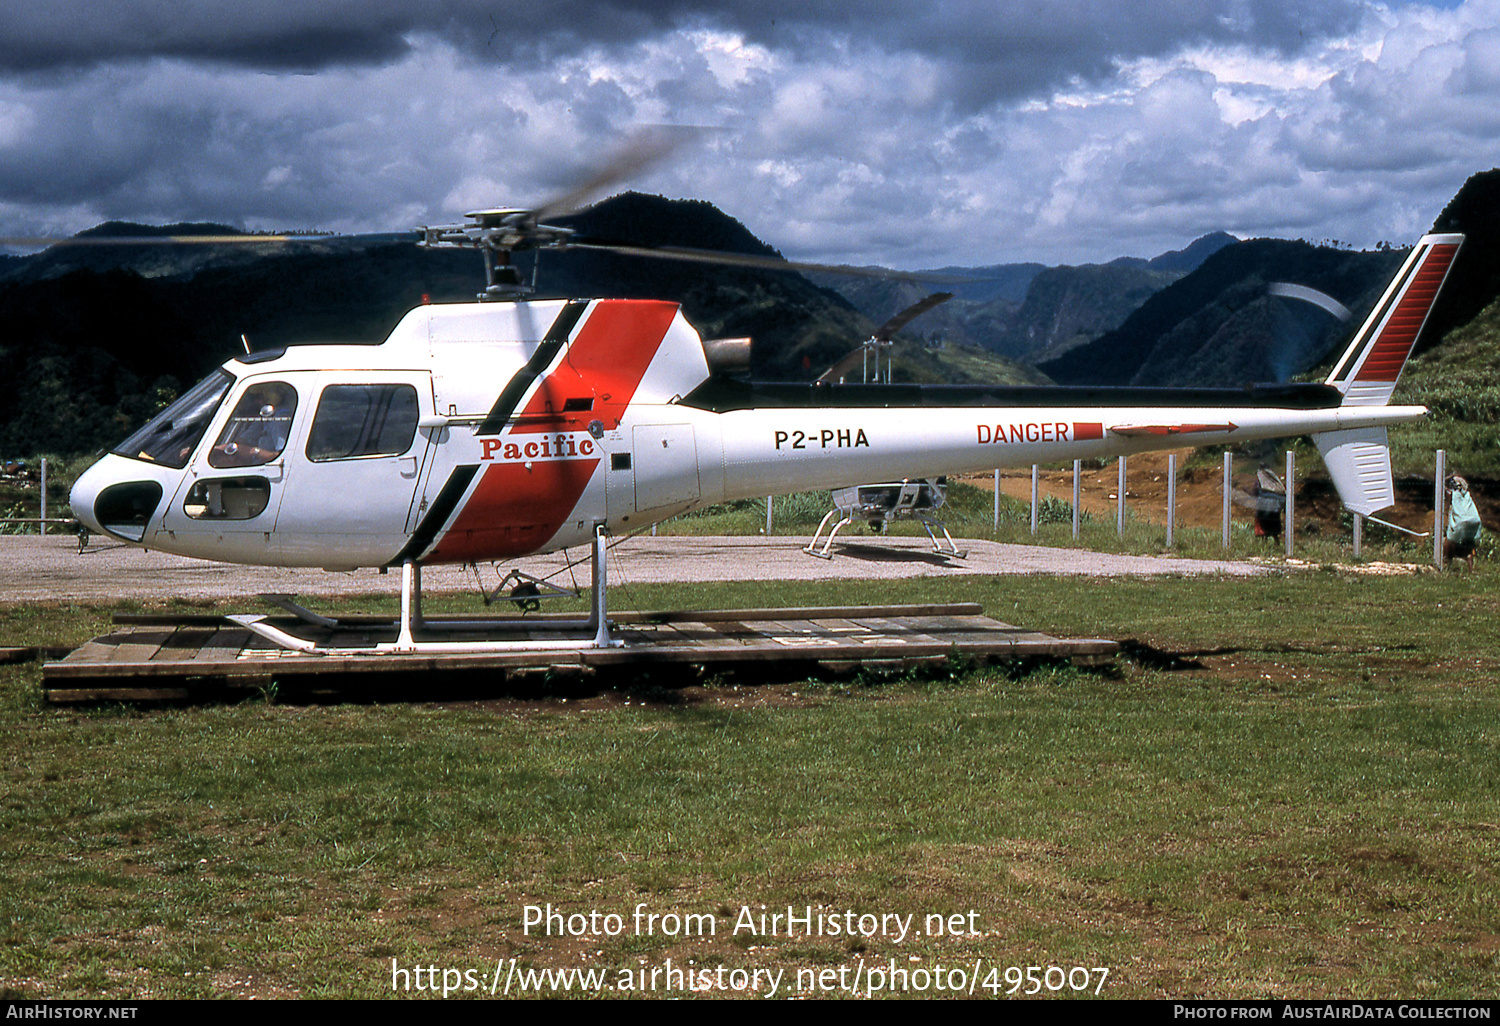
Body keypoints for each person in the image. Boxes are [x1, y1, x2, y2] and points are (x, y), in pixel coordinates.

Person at [1445, 474, 1482, 570]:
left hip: (1461, 521)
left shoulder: (1454, 494)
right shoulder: (1466, 495)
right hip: (1474, 521)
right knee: (1468, 544)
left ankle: (1447, 566)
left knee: (1450, 542)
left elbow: (1449, 497)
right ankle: (1470, 569)